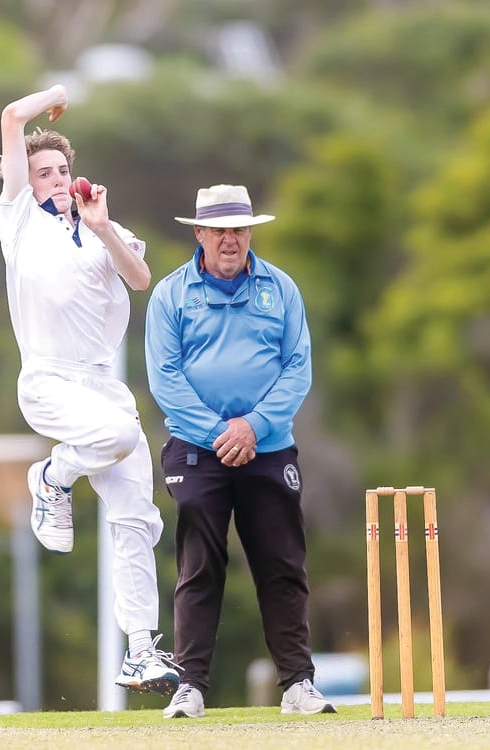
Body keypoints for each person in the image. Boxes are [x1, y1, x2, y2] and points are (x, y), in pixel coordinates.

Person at [0, 84, 178, 696]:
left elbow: (140, 277)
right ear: (23, 177)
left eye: (62, 170)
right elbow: (12, 117)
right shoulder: (18, 220)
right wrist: (57, 95)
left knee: (137, 516)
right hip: (48, 380)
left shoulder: (102, 225)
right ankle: (52, 477)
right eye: (41, 170)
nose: (53, 178)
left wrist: (102, 228)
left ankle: (140, 650)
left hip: (104, 384)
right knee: (121, 436)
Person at [144, 184, 336, 718]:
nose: (231, 239)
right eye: (220, 229)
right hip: (196, 450)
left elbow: (298, 367)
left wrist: (252, 426)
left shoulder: (281, 288)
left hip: (269, 446)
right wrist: (219, 433)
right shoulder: (171, 294)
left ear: (251, 232)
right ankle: (191, 686)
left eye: (240, 229)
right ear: (199, 233)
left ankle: (298, 683)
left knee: (282, 564)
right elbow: (164, 377)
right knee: (200, 564)